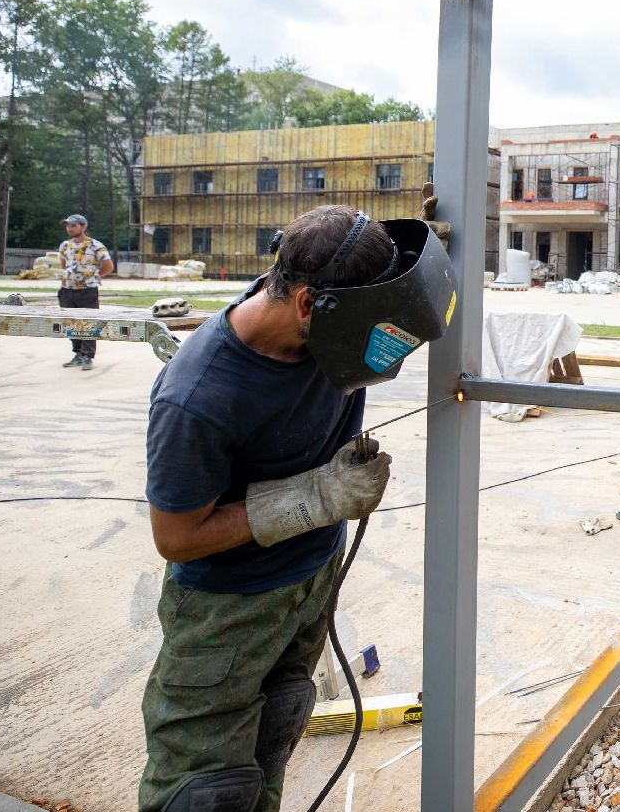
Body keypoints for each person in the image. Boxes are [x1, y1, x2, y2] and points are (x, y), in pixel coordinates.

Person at [138, 203, 456, 812]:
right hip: (227, 610)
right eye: (374, 331)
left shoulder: (327, 306)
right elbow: (176, 539)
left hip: (311, 580)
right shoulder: (199, 397)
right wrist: (316, 497)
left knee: (276, 732)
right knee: (205, 790)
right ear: (310, 304)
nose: (380, 353)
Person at [57, 213, 113, 369]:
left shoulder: (95, 245)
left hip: (87, 290)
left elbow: (108, 266)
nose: (69, 228)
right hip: (67, 290)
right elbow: (63, 264)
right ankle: (78, 353)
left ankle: (87, 356)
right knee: (71, 324)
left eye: (73, 225)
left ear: (83, 226)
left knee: (89, 323)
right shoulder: (65, 246)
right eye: (68, 225)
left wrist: (93, 277)